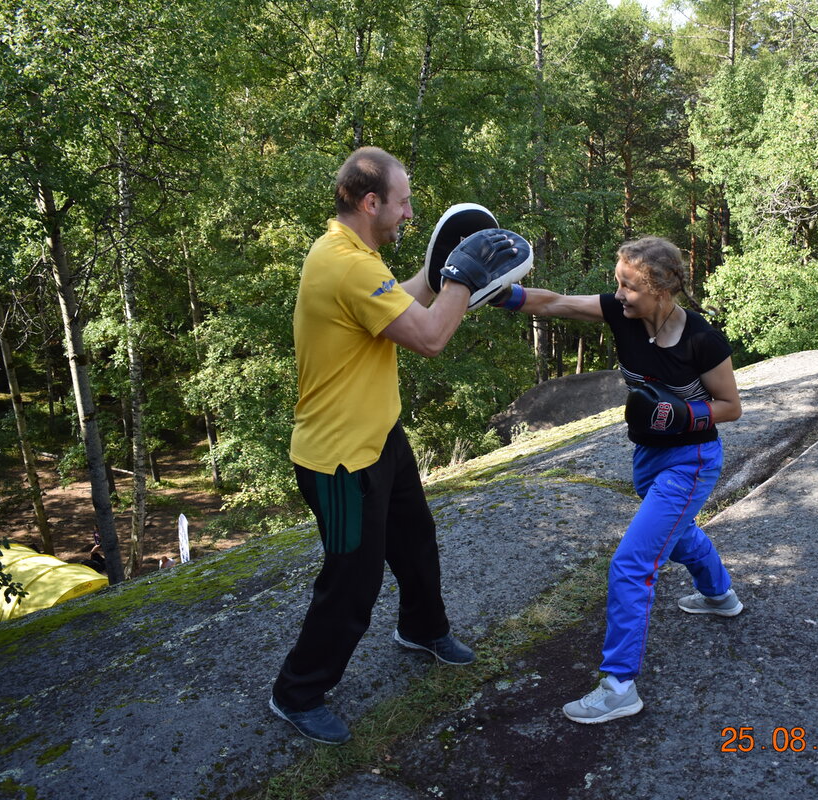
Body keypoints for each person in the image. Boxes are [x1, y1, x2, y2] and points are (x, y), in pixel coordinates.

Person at [270, 146, 529, 745]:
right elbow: (432, 335)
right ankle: (297, 690)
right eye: (403, 201)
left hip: (380, 438)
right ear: (370, 202)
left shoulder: (351, 253)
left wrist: (442, 275)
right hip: (337, 463)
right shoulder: (347, 266)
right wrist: (464, 277)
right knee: (351, 582)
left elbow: (405, 301)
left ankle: (421, 628)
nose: (410, 213)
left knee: (414, 540)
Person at [492, 236, 743, 723]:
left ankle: (619, 685)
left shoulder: (701, 339)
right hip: (648, 457)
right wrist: (499, 294)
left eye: (628, 286)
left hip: (690, 460)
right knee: (676, 533)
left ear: (661, 288)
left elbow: (731, 407)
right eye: (618, 282)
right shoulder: (620, 313)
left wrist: (679, 413)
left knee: (631, 562)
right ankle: (720, 595)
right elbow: (557, 303)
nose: (619, 293)